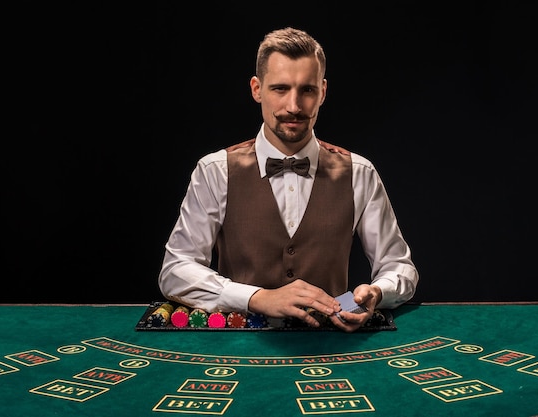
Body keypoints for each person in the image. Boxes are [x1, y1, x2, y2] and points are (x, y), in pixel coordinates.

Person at [158, 27, 418, 332]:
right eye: (280, 89)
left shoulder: (360, 172)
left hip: (333, 347)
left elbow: (400, 268)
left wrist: (376, 292)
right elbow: (175, 272)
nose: (294, 106)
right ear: (257, 89)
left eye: (306, 90)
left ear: (322, 92)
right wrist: (256, 297)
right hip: (238, 348)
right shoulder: (214, 170)